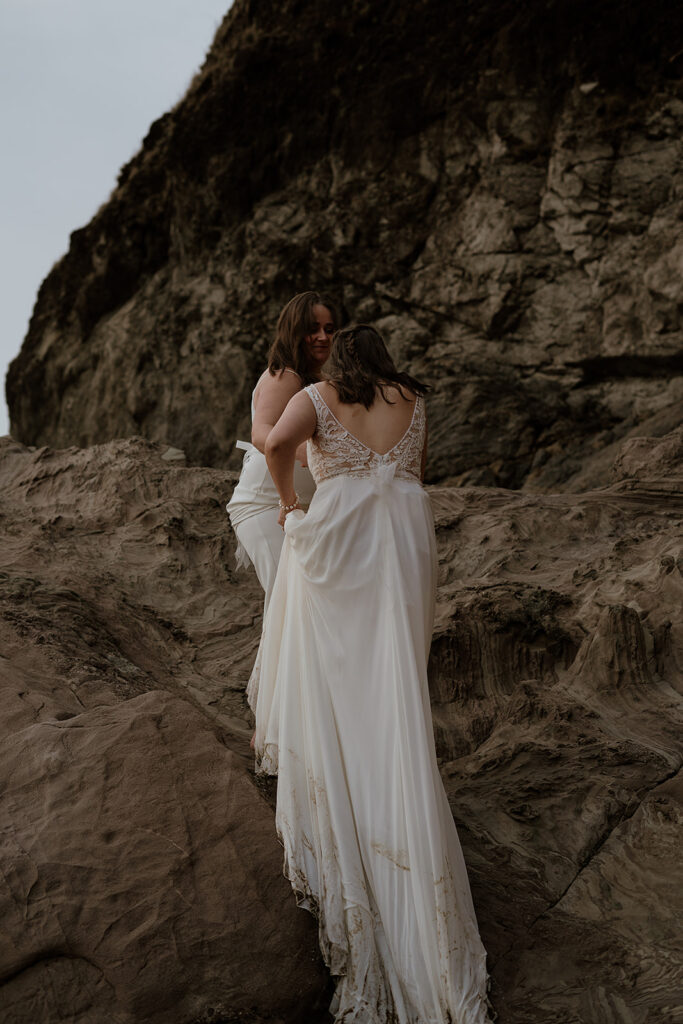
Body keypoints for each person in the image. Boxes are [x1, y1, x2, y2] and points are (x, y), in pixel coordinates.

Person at [252, 324, 493, 1023]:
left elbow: (273, 445)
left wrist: (290, 502)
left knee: (342, 656)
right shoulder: (414, 400)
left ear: (341, 358)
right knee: (397, 672)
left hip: (350, 534)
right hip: (407, 535)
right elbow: (418, 470)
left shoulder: (320, 397)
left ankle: (349, 760)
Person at [226, 291, 340, 703]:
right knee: (287, 606)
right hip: (263, 506)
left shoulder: (316, 381)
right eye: (313, 329)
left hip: (295, 506)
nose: (323, 337)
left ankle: (297, 708)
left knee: (299, 604)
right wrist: (314, 456)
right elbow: (263, 434)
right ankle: (271, 714)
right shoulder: (285, 376)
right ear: (295, 330)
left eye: (330, 328)